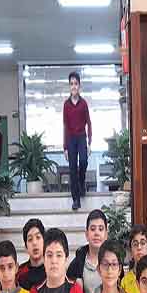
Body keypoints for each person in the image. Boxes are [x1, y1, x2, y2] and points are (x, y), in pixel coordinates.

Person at [63, 71, 93, 210]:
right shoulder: (66, 105)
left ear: (79, 86)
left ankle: (82, 181)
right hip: (71, 139)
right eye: (71, 84)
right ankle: (76, 199)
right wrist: (65, 147)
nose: (73, 86)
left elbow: (89, 123)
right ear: (69, 86)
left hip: (81, 137)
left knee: (84, 162)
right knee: (72, 168)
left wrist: (90, 143)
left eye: (76, 84)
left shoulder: (83, 103)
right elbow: (65, 126)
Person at [68, 209, 108, 293]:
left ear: (106, 235)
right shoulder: (77, 264)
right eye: (93, 229)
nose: (96, 233)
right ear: (86, 234)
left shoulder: (113, 263)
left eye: (100, 229)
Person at [18, 218, 46, 291]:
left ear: (45, 242)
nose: (34, 243)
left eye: (38, 237)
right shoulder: (19, 273)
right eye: (30, 239)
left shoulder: (52, 269)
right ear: (26, 247)